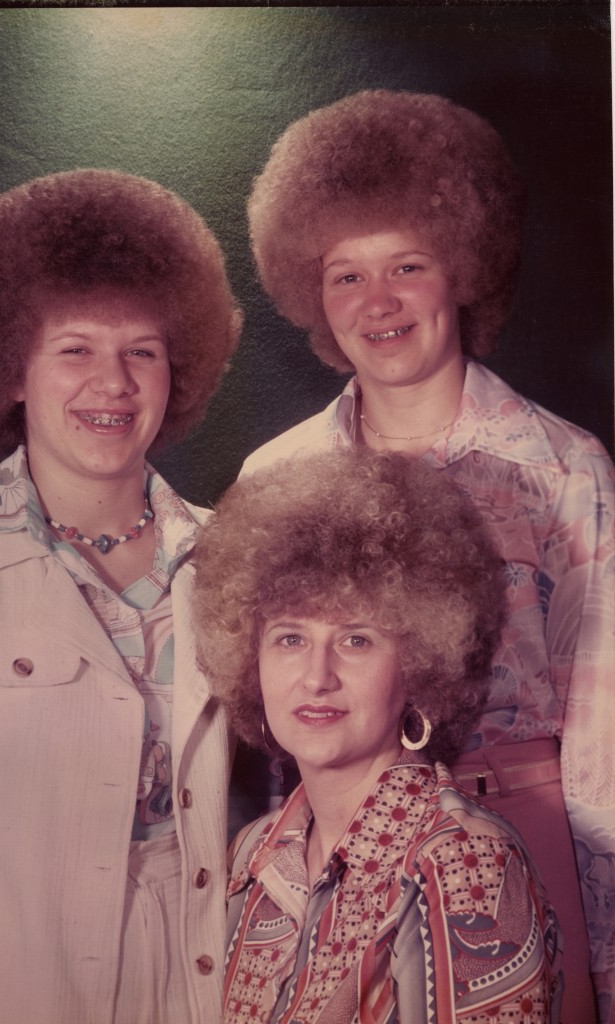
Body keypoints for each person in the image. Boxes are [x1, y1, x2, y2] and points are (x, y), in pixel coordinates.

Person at [241, 89, 614, 1022]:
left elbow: (603, 738)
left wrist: (604, 964)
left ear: (462, 268)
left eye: (406, 265)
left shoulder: (561, 466)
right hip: (339, 856)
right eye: (345, 275)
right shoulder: (275, 475)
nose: (378, 302)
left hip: (530, 840)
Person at [0, 169, 242, 1024]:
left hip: (206, 983)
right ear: (12, 369)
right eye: (75, 349)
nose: (113, 382)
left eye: (142, 351)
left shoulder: (231, 554)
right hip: (13, 988)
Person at [193, 448, 562, 1023]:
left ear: (419, 666)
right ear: (249, 661)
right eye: (290, 639)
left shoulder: (463, 863)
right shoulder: (253, 855)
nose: (317, 677)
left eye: (356, 640)